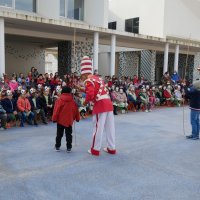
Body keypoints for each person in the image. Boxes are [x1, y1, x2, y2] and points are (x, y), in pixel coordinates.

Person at [80, 56, 116, 156]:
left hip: (100, 105)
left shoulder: (88, 80)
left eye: (82, 75)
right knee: (110, 127)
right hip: (108, 103)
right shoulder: (98, 79)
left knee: (97, 127)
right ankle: (111, 148)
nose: (82, 78)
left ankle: (95, 149)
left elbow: (90, 94)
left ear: (85, 73)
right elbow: (94, 91)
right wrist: (82, 89)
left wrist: (85, 102)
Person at [52, 86, 80, 152]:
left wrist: (54, 118)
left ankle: (57, 146)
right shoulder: (73, 100)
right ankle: (69, 147)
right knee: (69, 134)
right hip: (69, 121)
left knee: (59, 134)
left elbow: (56, 110)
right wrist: (77, 118)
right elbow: (76, 110)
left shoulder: (59, 100)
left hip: (60, 121)